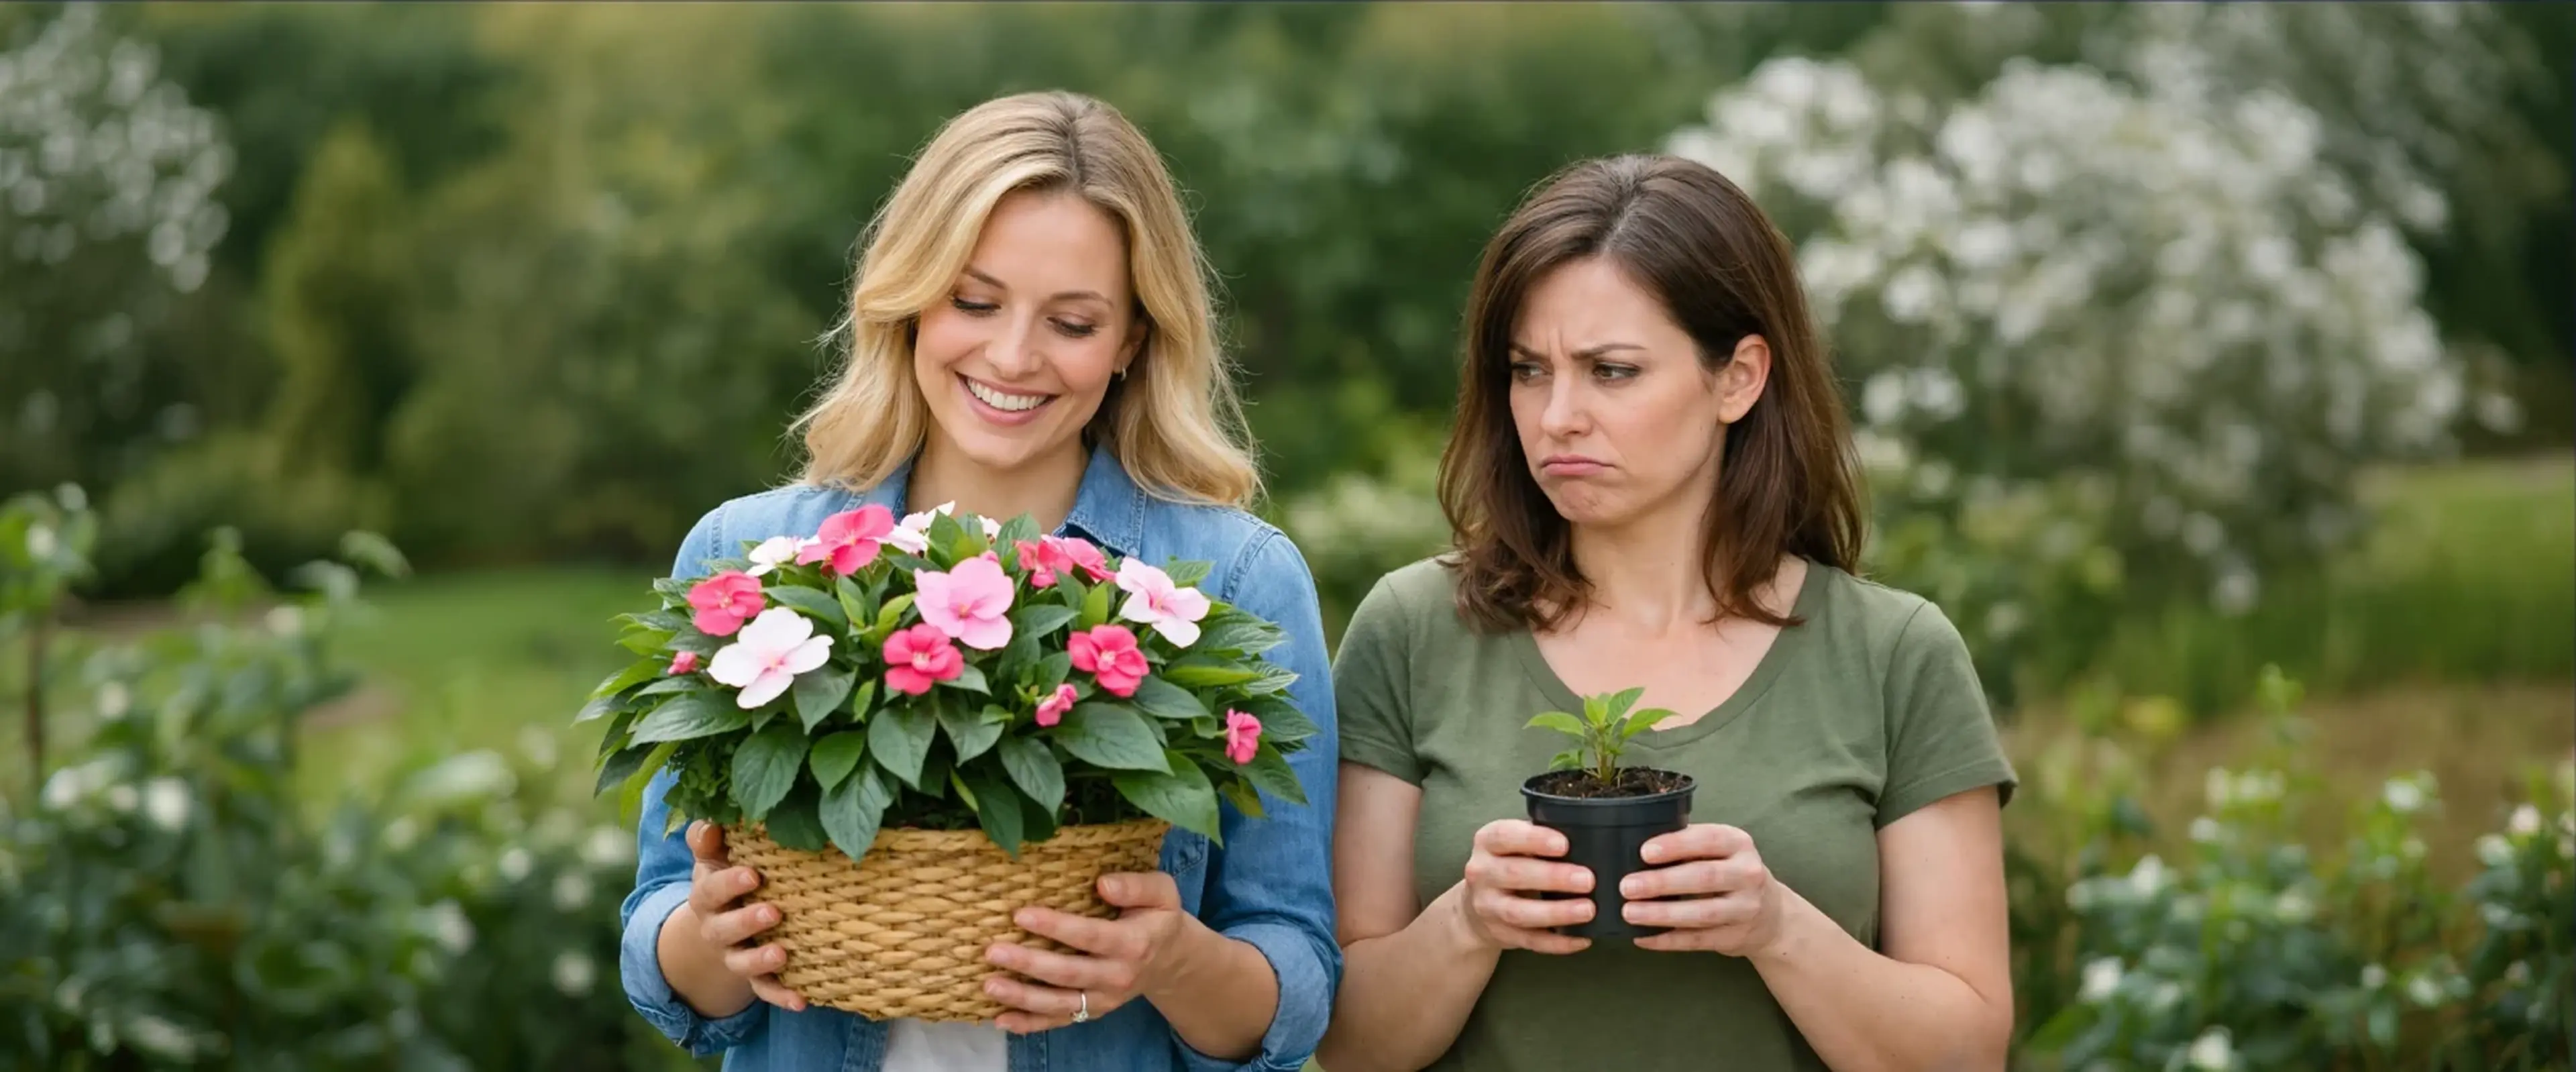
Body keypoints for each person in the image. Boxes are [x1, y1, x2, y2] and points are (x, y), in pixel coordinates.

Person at [615, 91, 1341, 1072]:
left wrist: (1170, 957)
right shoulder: (745, 558)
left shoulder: (1239, 580)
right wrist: (711, 933)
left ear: (1133, 339)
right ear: (912, 296)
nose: (1011, 356)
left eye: (1073, 321)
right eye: (974, 300)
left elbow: (1293, 983)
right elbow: (667, 949)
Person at [1318, 154, 2018, 1072]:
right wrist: (1467, 920)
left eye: (1611, 371)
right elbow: (1349, 1044)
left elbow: (1966, 1049)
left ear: (1739, 378)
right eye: (1529, 370)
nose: (1558, 415)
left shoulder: (1895, 654)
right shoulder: (1414, 629)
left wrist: (1776, 927)